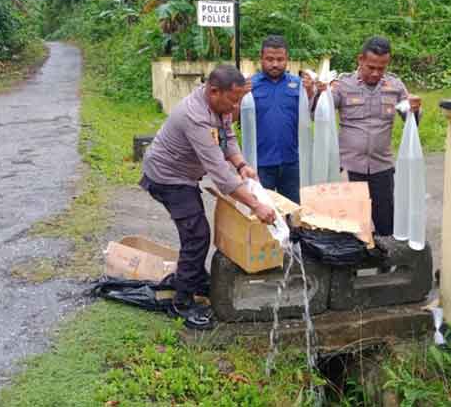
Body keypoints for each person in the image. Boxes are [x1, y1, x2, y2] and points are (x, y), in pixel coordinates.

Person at [140, 65, 276, 330]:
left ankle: (191, 277)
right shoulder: (195, 117)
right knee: (197, 234)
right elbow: (220, 175)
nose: (236, 106)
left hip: (184, 175)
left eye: (239, 100)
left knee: (196, 231)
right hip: (166, 177)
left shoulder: (220, 106)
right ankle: (182, 301)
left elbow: (228, 138)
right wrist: (256, 205)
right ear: (214, 91)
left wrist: (241, 165)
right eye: (233, 100)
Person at [304, 36, 421, 237]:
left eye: (381, 68)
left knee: (385, 224)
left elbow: (411, 119)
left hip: (381, 168)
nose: (375, 73)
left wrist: (415, 108)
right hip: (349, 168)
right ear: (360, 59)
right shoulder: (342, 85)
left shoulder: (395, 86)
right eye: (371, 67)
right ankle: (350, 268)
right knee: (350, 226)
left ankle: (384, 266)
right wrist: (318, 93)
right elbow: (317, 115)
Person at [249, 35, 303, 203]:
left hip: (291, 162)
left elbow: (310, 115)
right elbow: (234, 118)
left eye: (280, 59)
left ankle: (293, 231)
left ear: (287, 59)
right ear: (261, 58)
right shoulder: (249, 85)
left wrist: (315, 91)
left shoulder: (298, 84)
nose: (275, 64)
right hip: (260, 163)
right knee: (262, 213)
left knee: (294, 212)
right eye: (269, 59)